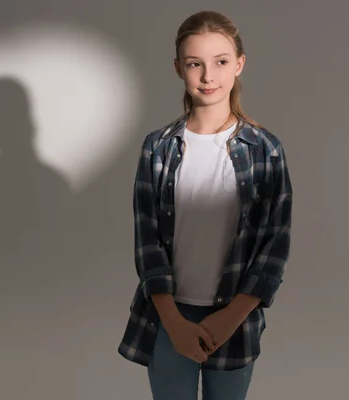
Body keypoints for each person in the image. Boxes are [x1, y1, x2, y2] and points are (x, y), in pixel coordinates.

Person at [117, 10, 293, 400]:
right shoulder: (158, 148)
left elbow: (274, 244)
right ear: (179, 68)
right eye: (195, 63)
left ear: (239, 65)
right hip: (167, 316)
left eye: (221, 62)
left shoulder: (265, 150)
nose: (208, 76)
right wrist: (174, 323)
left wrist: (231, 318)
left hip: (234, 318)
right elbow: (147, 240)